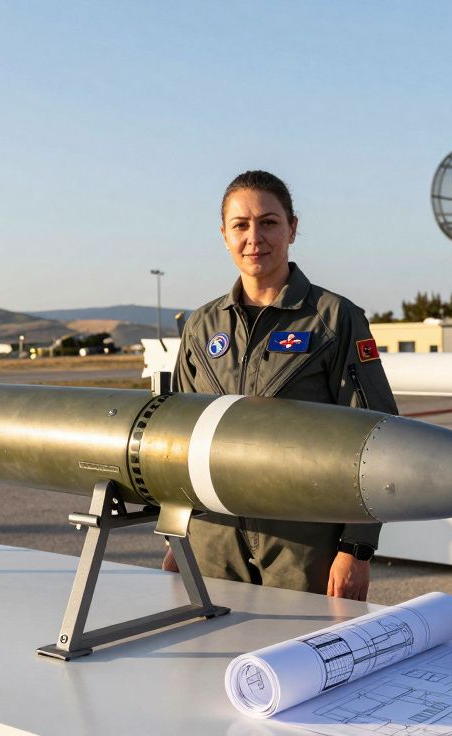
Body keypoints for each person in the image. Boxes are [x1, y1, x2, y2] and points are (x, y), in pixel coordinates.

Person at [161, 170, 398, 601]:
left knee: (304, 643)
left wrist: (356, 549)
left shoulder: (334, 319)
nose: (254, 238)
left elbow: (376, 435)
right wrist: (175, 534)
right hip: (213, 540)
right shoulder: (202, 326)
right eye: (240, 225)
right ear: (224, 235)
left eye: (268, 222)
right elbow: (178, 438)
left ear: (292, 227)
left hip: (303, 544)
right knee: (213, 641)